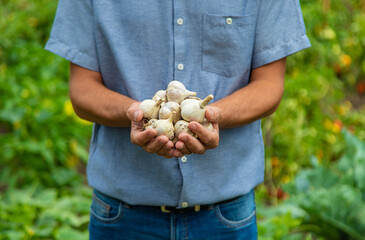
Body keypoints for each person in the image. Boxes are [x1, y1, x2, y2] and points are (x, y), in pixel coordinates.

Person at [45, 0, 310, 239]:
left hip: (226, 216)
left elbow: (270, 85)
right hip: (122, 216)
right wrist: (135, 113)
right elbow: (82, 91)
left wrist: (215, 115)